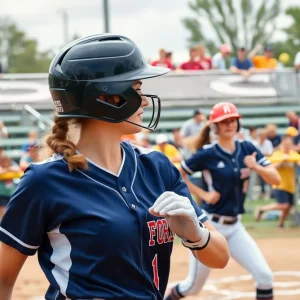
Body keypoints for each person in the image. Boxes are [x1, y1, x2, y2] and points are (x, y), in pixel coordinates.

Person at [0, 34, 229, 300]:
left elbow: (220, 257)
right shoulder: (45, 181)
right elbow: (3, 278)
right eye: (136, 87)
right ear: (106, 97)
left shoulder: (157, 167)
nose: (144, 100)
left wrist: (196, 235)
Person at [165, 102, 281, 300]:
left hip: (235, 227)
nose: (229, 124)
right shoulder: (207, 153)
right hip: (210, 226)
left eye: (233, 120)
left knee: (264, 277)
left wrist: (257, 167)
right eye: (223, 121)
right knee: (192, 288)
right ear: (215, 127)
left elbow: (275, 179)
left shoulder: (247, 148)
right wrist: (202, 194)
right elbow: (177, 174)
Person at [255, 135, 300, 228]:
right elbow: (271, 167)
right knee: (284, 205)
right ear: (282, 143)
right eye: (286, 143)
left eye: (290, 143)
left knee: (288, 206)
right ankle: (262, 209)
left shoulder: (293, 154)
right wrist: (282, 161)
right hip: (279, 184)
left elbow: (298, 161)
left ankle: (280, 224)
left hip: (290, 185)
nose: (288, 145)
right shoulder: (277, 154)